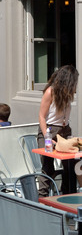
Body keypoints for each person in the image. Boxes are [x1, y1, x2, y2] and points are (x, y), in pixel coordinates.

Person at [37, 65, 79, 197]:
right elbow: (41, 116)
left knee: (71, 163)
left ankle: (68, 194)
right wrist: (47, 137)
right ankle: (42, 197)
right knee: (48, 166)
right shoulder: (50, 92)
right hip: (49, 129)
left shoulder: (67, 93)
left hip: (65, 130)